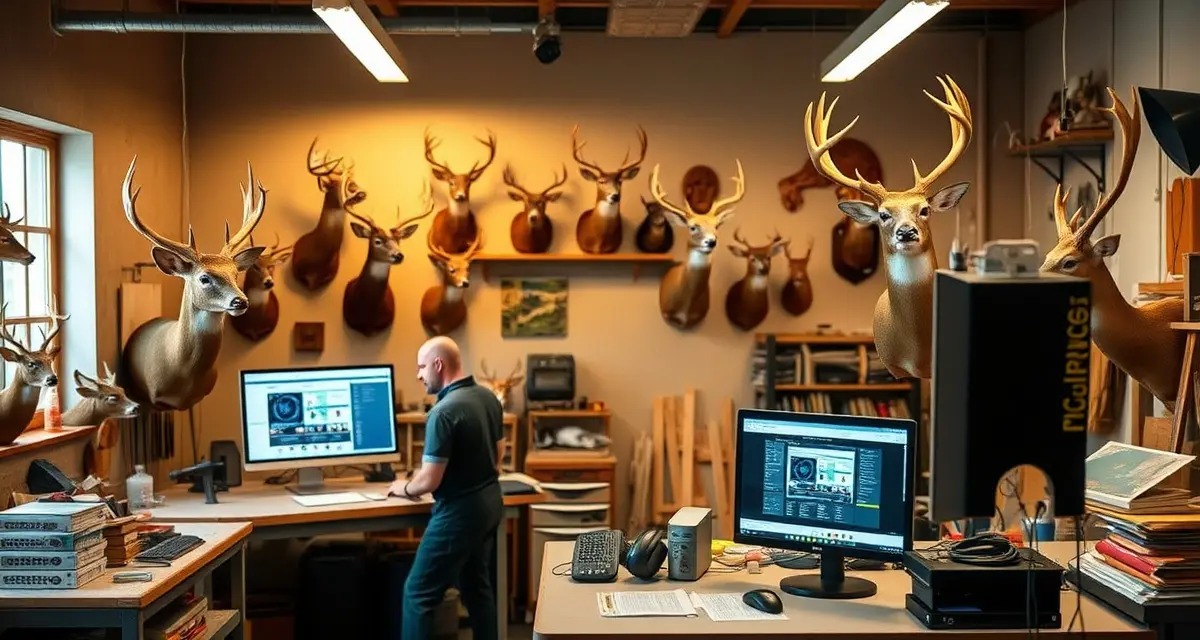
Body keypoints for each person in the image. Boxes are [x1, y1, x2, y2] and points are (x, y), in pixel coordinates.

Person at [391, 336, 505, 640]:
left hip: (460, 512)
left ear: (438, 364)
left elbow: (430, 480)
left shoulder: (443, 412)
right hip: (490, 503)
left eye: (421, 366)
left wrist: (404, 488)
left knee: (418, 595)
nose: (418, 374)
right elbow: (499, 456)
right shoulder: (487, 397)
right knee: (477, 589)